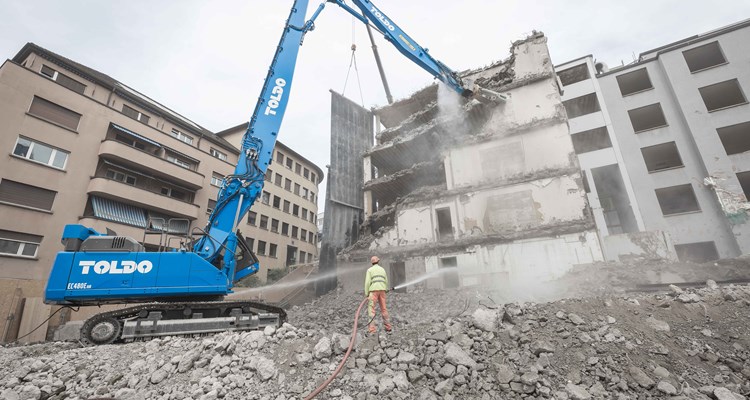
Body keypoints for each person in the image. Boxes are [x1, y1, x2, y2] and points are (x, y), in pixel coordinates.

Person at [364, 255, 392, 334]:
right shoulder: (382, 269)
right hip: (382, 291)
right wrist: (385, 289)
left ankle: (372, 330)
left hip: (373, 291)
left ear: (372, 263)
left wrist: (367, 293)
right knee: (384, 309)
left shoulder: (370, 270)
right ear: (378, 261)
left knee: (371, 309)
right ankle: (388, 327)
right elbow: (386, 280)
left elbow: (367, 283)